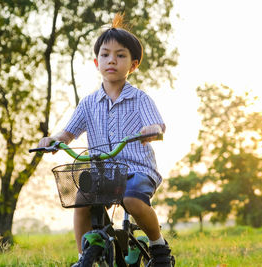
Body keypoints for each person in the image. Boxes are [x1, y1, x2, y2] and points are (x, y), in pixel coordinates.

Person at [38, 13, 174, 267]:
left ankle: (159, 248)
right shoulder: (89, 103)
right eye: (105, 54)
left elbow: (156, 124)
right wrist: (54, 139)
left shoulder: (140, 99)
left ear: (133, 65)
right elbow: (68, 132)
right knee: (81, 200)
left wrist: (152, 129)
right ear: (96, 61)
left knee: (132, 200)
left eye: (120, 55)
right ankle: (83, 257)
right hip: (103, 170)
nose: (112, 60)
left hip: (137, 169)